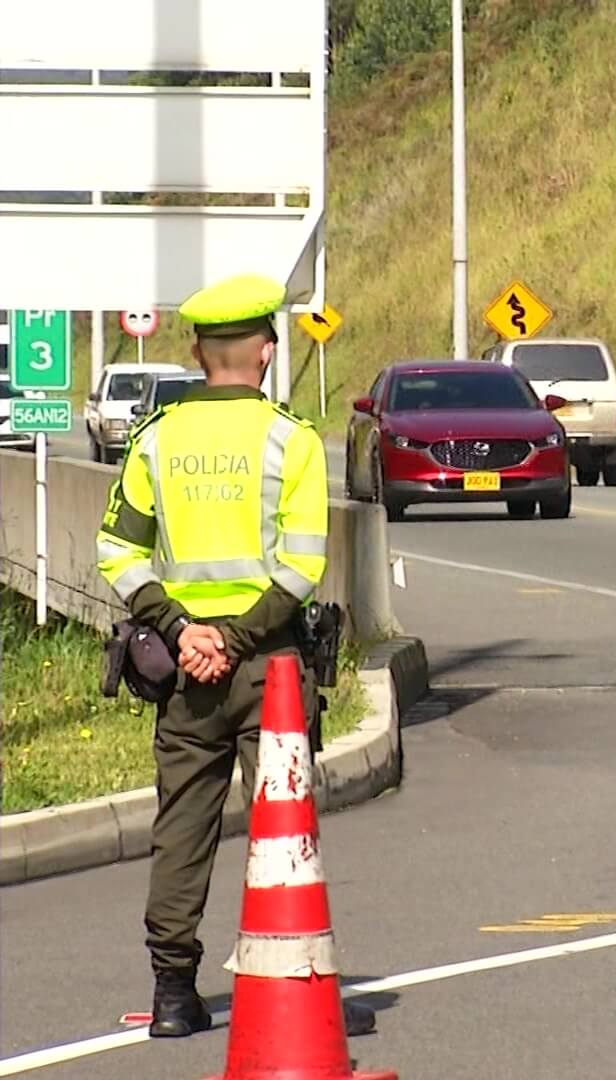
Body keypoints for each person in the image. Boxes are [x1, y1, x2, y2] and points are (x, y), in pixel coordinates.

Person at [93, 273, 371, 1039]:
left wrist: (182, 631)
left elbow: (117, 552)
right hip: (270, 669)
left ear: (196, 352)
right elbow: (301, 567)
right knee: (283, 823)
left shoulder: (156, 438)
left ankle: (173, 993)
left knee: (181, 827)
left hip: (182, 671)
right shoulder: (293, 439)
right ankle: (299, 979)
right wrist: (238, 638)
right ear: (269, 352)